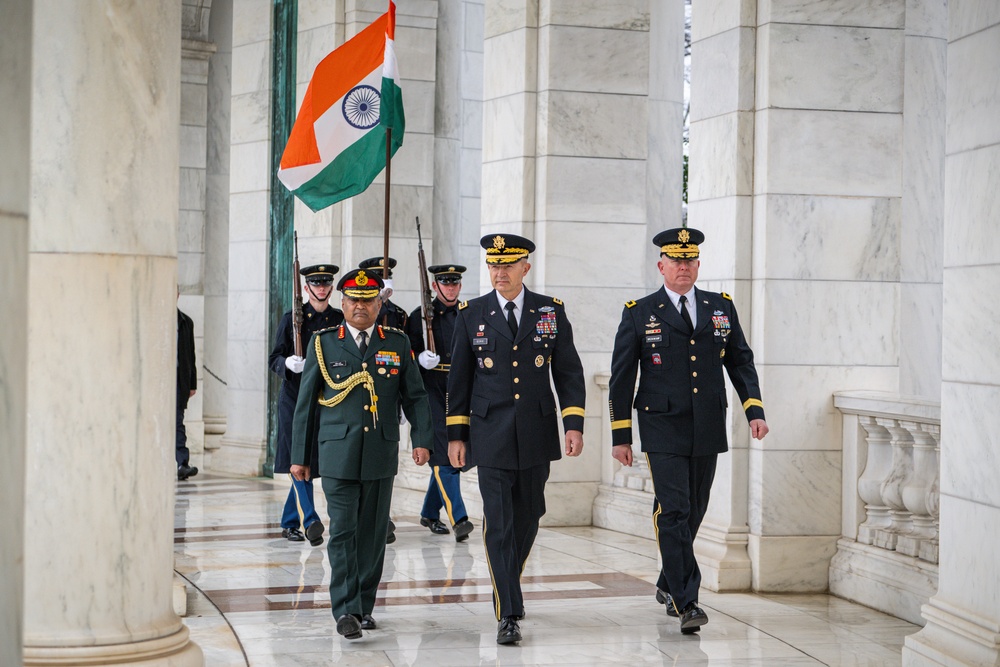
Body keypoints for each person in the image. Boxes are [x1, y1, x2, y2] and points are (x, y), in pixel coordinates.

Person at [608, 227, 769, 635]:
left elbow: (741, 362)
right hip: (661, 425)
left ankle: (668, 580)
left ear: (698, 265)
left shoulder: (721, 307)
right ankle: (687, 600)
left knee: (694, 509)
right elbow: (621, 378)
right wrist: (621, 435)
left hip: (707, 423)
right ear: (661, 266)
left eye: (690, 260)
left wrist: (755, 409)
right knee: (674, 509)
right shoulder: (639, 312)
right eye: (675, 260)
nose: (683, 266)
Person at [446, 233, 586, 645]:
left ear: (526, 267)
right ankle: (508, 610)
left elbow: (569, 372)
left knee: (530, 515)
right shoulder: (472, 314)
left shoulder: (550, 311)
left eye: (507, 265)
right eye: (493, 265)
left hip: (536, 430)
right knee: (500, 524)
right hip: (489, 434)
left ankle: (506, 579)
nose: (499, 272)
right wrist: (457, 435)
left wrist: (573, 423)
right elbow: (459, 379)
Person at [290, 268, 433, 640]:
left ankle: (364, 606)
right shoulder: (323, 343)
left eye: (368, 301)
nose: (360, 306)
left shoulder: (397, 343)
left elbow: (415, 396)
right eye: (353, 300)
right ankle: (346, 610)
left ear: (378, 304)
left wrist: (422, 439)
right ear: (342, 303)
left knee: (371, 536)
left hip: (380, 452)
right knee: (343, 532)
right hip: (336, 453)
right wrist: (299, 457)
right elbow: (305, 405)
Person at [268, 264, 343, 546]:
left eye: (325, 283)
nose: (321, 288)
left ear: (331, 287)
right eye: (315, 283)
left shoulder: (339, 319)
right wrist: (287, 363)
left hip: (325, 400)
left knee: (310, 460)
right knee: (297, 459)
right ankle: (310, 519)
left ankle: (289, 522)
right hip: (294, 399)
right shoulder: (291, 320)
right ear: (307, 288)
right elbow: (274, 358)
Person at [405, 264, 474, 542]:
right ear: (434, 286)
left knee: (450, 451)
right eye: (445, 283)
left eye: (454, 283)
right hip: (429, 388)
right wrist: (419, 357)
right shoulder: (419, 316)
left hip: (458, 387)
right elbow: (405, 350)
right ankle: (459, 518)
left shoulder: (469, 313)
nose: (450, 288)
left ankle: (430, 512)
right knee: (446, 454)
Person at [358, 255, 407, 544]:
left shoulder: (398, 314)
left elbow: (405, 361)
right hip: (361, 396)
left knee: (384, 461)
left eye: (386, 277)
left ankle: (383, 515)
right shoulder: (361, 310)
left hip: (388, 399)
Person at [177, 301, 198, 481]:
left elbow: (191, 355)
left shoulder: (185, 322)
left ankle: (182, 464)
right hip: (156, 382)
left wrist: (192, 384)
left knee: (177, 423)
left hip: (178, 382)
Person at [358, 256, 408, 330]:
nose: (384, 283)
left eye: (387, 278)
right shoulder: (360, 310)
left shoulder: (400, 314)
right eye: (379, 278)